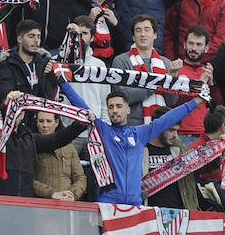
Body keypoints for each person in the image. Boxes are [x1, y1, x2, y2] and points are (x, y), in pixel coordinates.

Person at [60, 81, 206, 206]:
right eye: (110, 107)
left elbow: (169, 118)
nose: (114, 111)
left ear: (128, 109)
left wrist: (198, 100)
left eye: (119, 106)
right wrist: (61, 82)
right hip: (108, 203)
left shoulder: (140, 134)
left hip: (135, 204)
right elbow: (80, 104)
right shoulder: (102, 130)